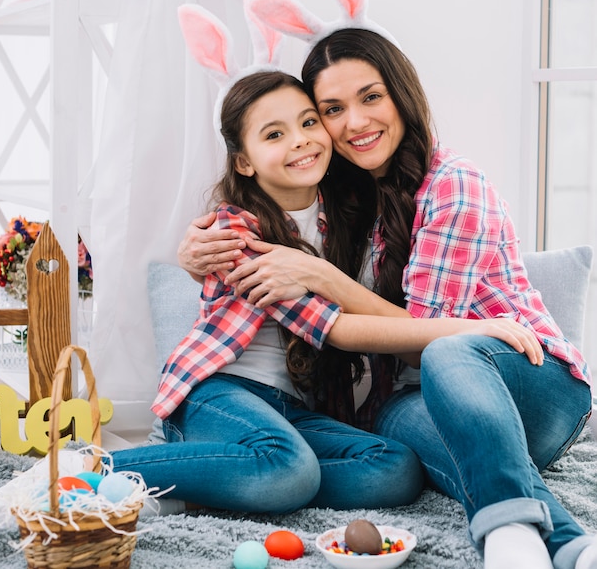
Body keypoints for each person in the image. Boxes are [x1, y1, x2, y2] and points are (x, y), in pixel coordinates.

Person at [177, 28, 595, 568]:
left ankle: (509, 535)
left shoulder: (453, 184)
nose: (354, 122)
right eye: (331, 108)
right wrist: (195, 252)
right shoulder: (340, 199)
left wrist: (322, 275)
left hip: (528, 383)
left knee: (449, 350)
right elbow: (257, 213)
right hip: (420, 403)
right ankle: (564, 546)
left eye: (371, 97)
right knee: (397, 446)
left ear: (401, 93)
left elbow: (425, 340)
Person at [112, 67, 549, 516]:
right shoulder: (237, 232)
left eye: (307, 122)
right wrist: (469, 331)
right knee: (288, 466)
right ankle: (99, 468)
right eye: (274, 134)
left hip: (291, 410)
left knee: (394, 468)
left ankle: (226, 482)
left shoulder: (344, 219)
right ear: (244, 161)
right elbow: (336, 328)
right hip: (219, 395)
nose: (300, 140)